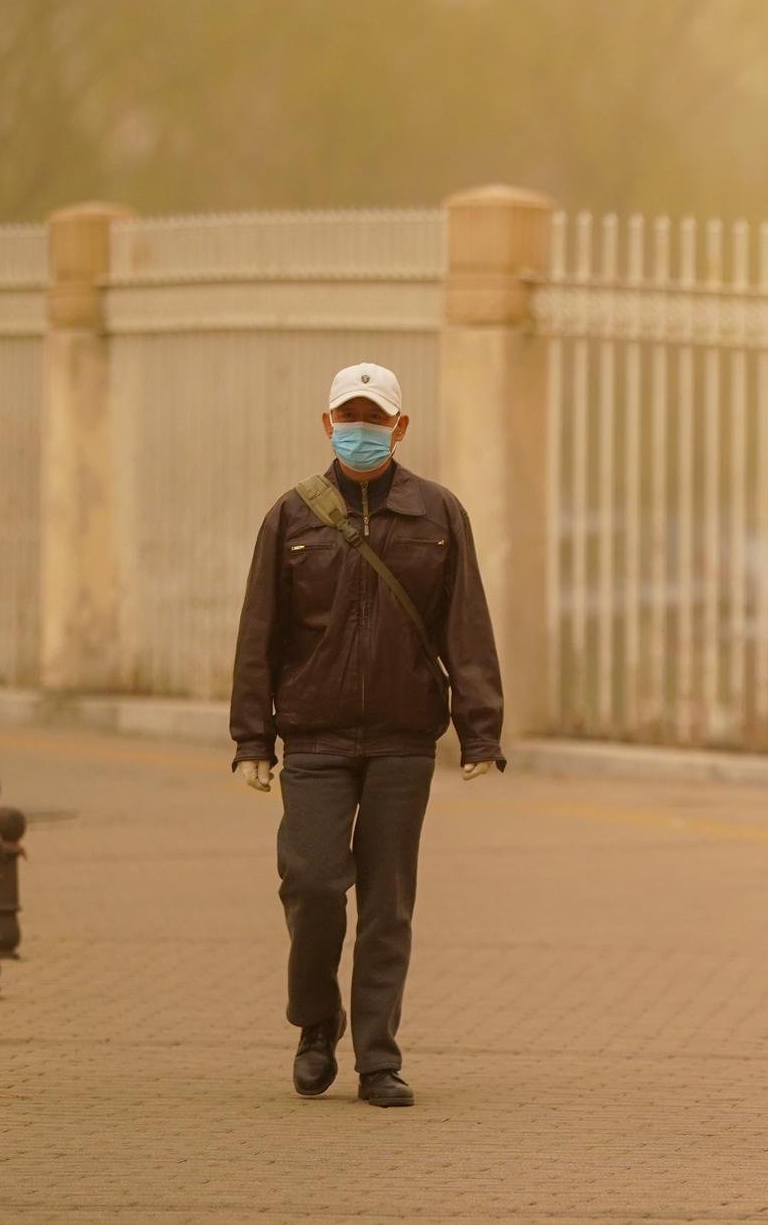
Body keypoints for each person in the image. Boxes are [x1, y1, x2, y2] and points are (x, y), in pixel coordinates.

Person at [229, 361, 506, 1107]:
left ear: (399, 426)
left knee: (387, 904)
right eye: (348, 417)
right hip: (313, 738)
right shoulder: (288, 518)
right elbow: (260, 633)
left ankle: (378, 1058)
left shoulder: (438, 515)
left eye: (374, 418)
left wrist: (481, 730)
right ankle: (317, 1022)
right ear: (327, 425)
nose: (361, 429)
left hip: (402, 738)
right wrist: (252, 739)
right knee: (313, 885)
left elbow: (466, 625)